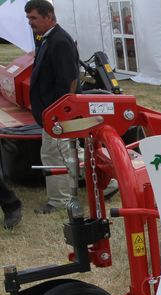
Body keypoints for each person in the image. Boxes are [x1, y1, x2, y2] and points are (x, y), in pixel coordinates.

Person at [24, 0, 117, 215]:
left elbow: (69, 83)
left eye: (33, 18)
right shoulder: (48, 38)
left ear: (49, 16)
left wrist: (58, 113)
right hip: (53, 111)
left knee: (54, 154)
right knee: (68, 153)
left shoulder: (60, 41)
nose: (30, 22)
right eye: (28, 18)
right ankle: (112, 180)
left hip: (57, 113)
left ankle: (58, 200)